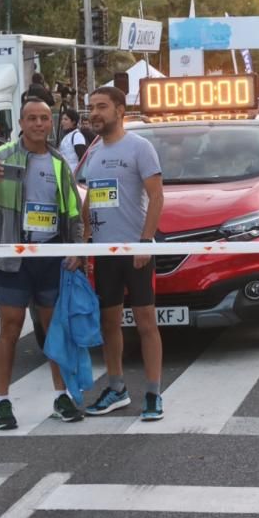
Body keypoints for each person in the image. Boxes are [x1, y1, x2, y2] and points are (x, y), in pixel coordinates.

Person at [0, 98, 85, 428]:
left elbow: (74, 211)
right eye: (32, 118)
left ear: (51, 122)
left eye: (45, 118)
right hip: (12, 257)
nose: (39, 124)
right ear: (21, 122)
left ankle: (62, 396)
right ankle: (1, 401)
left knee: (52, 328)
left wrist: (77, 249)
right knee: (11, 327)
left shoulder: (60, 162)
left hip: (49, 256)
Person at [82, 86, 166, 419]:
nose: (94, 113)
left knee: (146, 322)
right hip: (105, 251)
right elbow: (92, 197)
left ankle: (153, 394)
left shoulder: (139, 148)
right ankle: (116, 388)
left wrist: (145, 242)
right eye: (91, 107)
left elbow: (157, 197)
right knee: (109, 322)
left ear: (120, 110)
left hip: (136, 249)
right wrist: (83, 238)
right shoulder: (94, 152)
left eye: (101, 106)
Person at [58, 110, 88, 175]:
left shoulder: (77, 136)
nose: (62, 121)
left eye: (66, 119)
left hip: (74, 175)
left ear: (73, 122)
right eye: (62, 119)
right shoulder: (67, 136)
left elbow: (83, 158)